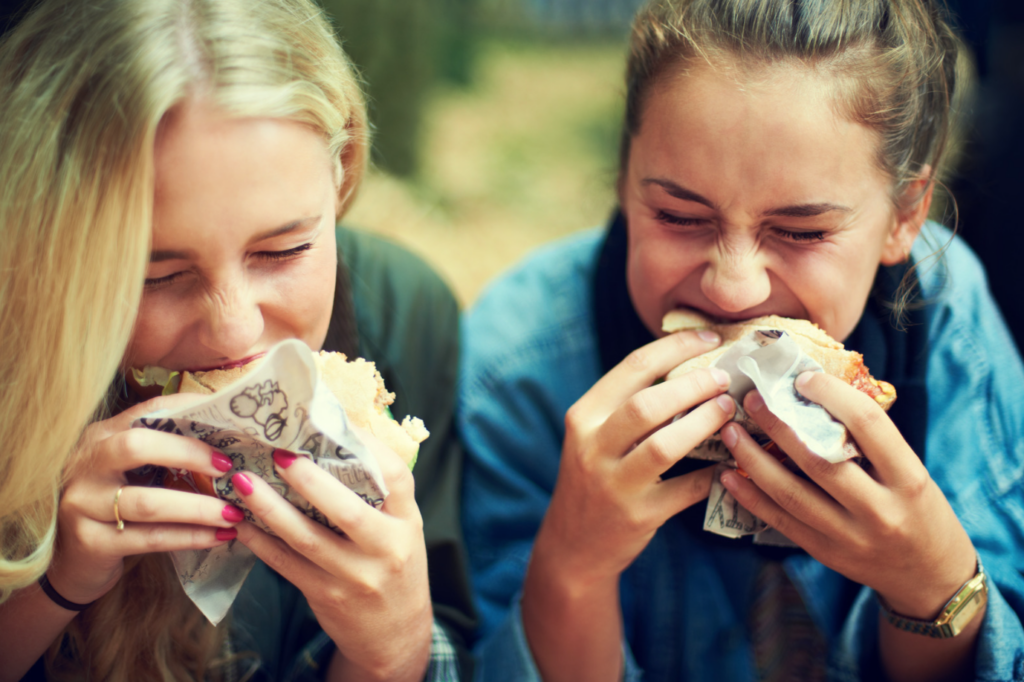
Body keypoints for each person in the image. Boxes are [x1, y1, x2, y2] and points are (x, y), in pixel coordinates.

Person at [458, 1, 1024, 681]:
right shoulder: (519, 364)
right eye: (679, 215)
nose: (732, 289)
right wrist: (573, 565)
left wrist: (934, 584)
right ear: (623, 176)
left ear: (905, 215)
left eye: (802, 232)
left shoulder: (945, 319)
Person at [0, 0, 474, 680]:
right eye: (156, 275)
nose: (235, 329)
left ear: (341, 175)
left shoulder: (403, 317)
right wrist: (49, 588)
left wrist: (396, 648)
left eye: (283, 251)